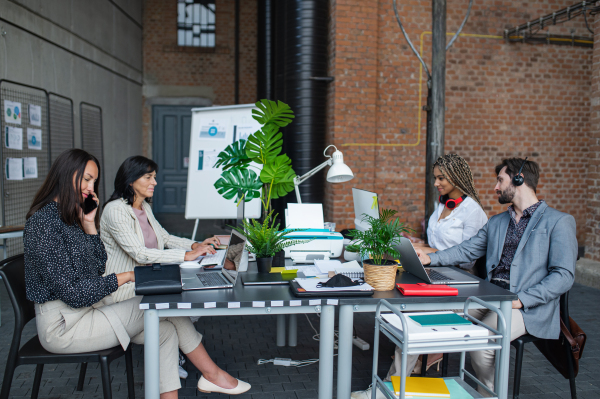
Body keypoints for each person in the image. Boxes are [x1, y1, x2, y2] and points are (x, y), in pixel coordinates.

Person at [24, 149, 250, 398]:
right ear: (66, 176)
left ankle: (206, 379)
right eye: (87, 179)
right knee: (164, 307)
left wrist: (89, 225)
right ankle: (213, 375)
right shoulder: (44, 222)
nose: (91, 188)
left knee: (164, 332)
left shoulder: (70, 216)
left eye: (94, 181)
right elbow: (74, 294)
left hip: (88, 311)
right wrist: (127, 276)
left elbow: (98, 266)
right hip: (64, 326)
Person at [416, 157, 575, 396]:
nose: (496, 187)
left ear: (519, 179)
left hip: (527, 306)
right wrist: (430, 258)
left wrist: (521, 299)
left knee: (482, 340)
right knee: (432, 321)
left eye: (500, 180)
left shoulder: (559, 222)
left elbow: (563, 276)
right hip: (490, 296)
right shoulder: (498, 222)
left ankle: (487, 394)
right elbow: (466, 249)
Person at [352, 154, 488, 399]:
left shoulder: (473, 211)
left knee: (412, 318)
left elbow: (468, 257)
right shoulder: (443, 205)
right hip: (435, 271)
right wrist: (419, 245)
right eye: (435, 177)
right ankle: (404, 373)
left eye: (441, 178)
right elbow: (437, 243)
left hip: (460, 279)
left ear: (457, 177)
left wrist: (426, 251)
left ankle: (389, 387)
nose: (436, 183)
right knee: (398, 301)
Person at [100, 155, 220, 304]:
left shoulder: (144, 206)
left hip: (148, 279)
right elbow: (140, 253)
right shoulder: (116, 210)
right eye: (148, 177)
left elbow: (166, 238)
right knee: (188, 297)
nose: (154, 182)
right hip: (126, 289)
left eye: (154, 177)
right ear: (130, 180)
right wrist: (187, 255)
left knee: (193, 293)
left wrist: (196, 246)